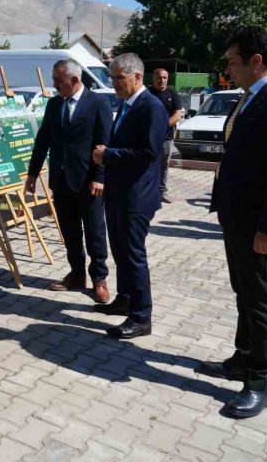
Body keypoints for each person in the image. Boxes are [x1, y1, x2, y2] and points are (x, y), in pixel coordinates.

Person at [203, 26, 267, 419]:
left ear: (256, 61)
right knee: (243, 292)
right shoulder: (251, 97)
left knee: (261, 301)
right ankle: (242, 359)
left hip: (262, 223)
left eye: (232, 61)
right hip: (238, 216)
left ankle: (260, 383)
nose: (228, 68)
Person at [92, 54, 168, 339]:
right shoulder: (126, 105)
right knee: (121, 251)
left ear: (137, 76)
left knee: (134, 255)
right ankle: (124, 299)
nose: (114, 84)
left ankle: (140, 317)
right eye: (112, 78)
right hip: (119, 193)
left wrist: (107, 155)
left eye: (119, 78)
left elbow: (148, 154)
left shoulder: (151, 107)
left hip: (137, 196)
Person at [26, 59, 114, 303]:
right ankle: (76, 274)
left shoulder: (98, 103)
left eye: (58, 81)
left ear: (75, 80)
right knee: (70, 231)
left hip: (89, 182)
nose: (54, 86)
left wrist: (100, 177)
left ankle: (99, 278)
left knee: (95, 231)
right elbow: (43, 140)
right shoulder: (55, 104)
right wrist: (33, 174)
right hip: (61, 181)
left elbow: (105, 143)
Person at [146, 68, 183, 204]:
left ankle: (162, 192)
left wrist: (162, 125)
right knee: (148, 164)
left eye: (165, 78)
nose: (162, 80)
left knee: (164, 165)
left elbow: (178, 114)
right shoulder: (147, 93)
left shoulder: (172, 93)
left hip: (167, 137)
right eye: (159, 77)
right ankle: (148, 191)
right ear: (153, 78)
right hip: (149, 137)